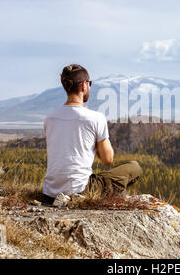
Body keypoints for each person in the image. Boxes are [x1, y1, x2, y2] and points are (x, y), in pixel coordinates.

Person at [41, 64, 142, 204]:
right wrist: (95, 140)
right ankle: (115, 201)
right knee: (134, 167)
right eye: (89, 83)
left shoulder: (50, 118)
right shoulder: (95, 118)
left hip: (49, 192)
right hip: (81, 190)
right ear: (84, 85)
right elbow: (108, 160)